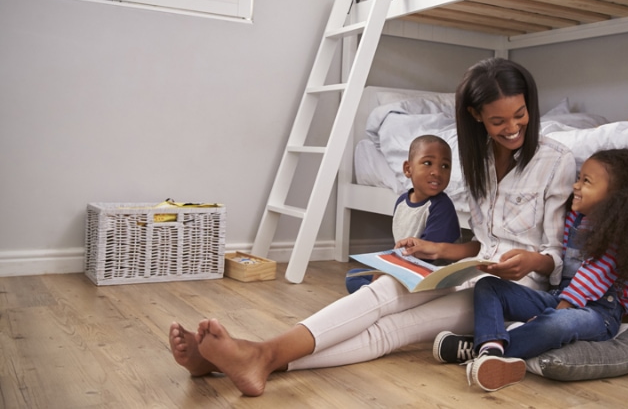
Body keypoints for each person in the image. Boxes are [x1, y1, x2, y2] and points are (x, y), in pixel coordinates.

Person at [168, 57, 576, 396]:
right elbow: (483, 243)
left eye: (520, 115)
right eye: (497, 121)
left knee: (394, 328)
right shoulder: (477, 158)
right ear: (475, 116)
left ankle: (258, 357)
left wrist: (531, 262)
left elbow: (554, 259)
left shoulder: (557, 160)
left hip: (511, 291)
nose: (511, 128)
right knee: (383, 290)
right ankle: (249, 357)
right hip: (471, 269)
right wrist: (439, 252)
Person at [434, 146, 628, 392]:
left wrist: (557, 312)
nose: (576, 186)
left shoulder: (618, 235)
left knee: (555, 325)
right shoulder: (575, 218)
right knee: (488, 286)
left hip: (599, 313)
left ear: (613, 197)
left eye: (586, 181)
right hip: (560, 298)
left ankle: (483, 349)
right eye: (578, 178)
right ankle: (491, 349)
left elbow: (591, 275)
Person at [345, 134, 462, 293]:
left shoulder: (441, 207)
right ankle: (377, 296)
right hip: (406, 269)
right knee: (353, 276)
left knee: (374, 284)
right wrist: (384, 271)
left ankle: (377, 297)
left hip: (429, 278)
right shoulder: (402, 201)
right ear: (408, 169)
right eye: (428, 163)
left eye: (445, 166)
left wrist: (388, 272)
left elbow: (424, 256)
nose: (437, 172)